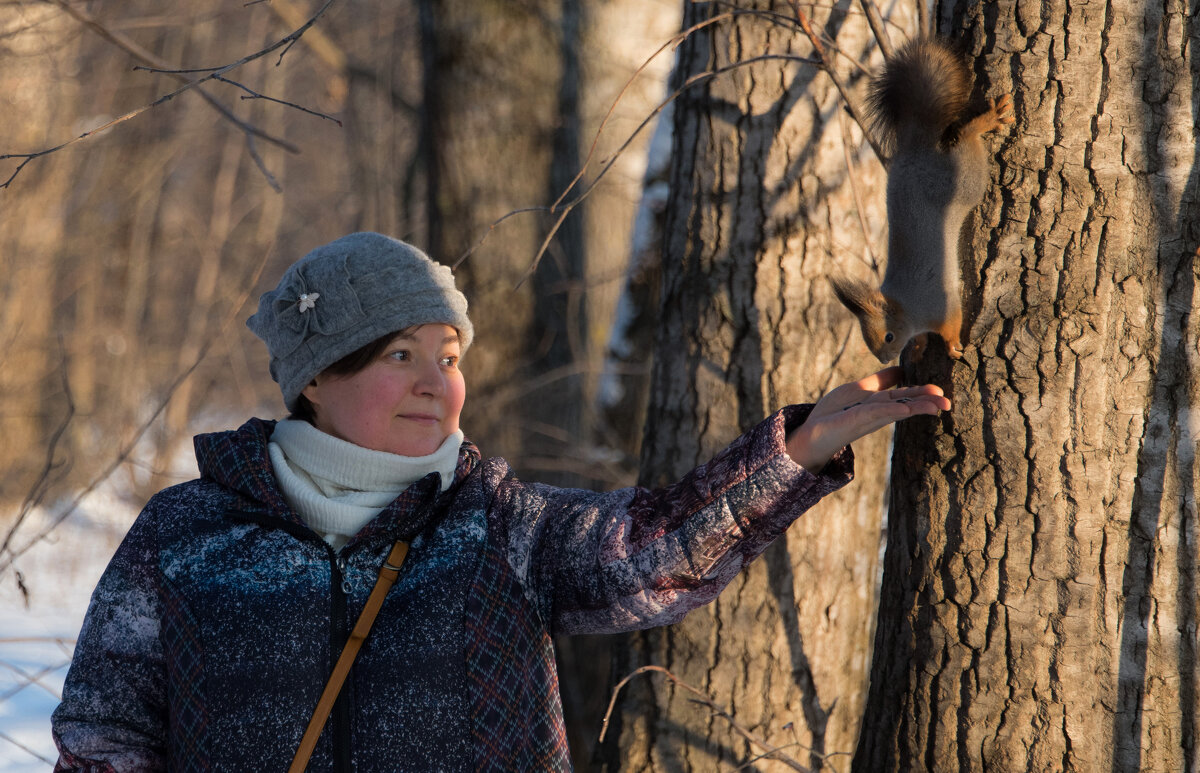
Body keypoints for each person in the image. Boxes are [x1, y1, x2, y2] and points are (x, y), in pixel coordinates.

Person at [51, 232, 950, 772]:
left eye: (448, 356)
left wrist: (792, 451)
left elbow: (659, 553)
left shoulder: (497, 523)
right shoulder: (190, 533)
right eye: (398, 355)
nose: (435, 384)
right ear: (317, 376)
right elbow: (107, 734)